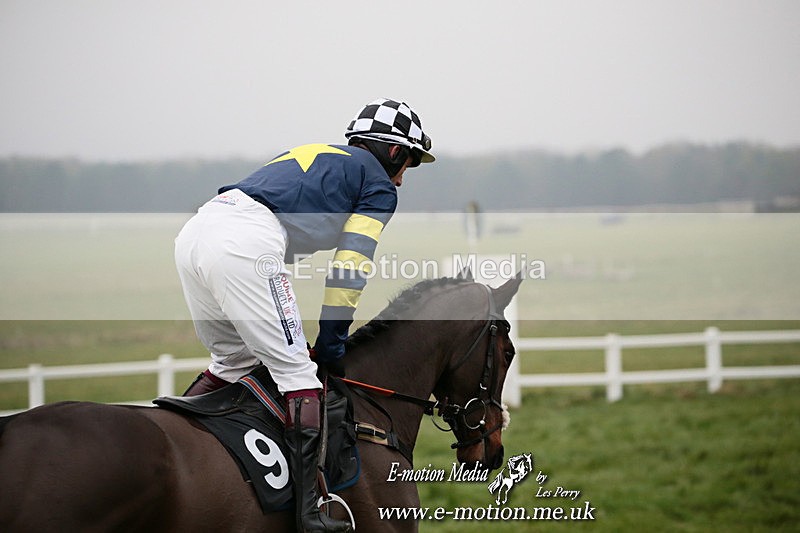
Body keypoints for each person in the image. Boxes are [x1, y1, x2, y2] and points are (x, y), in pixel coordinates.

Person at [173, 98, 434, 533]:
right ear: (393, 151)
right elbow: (350, 268)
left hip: (196, 232)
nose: (404, 178)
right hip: (245, 244)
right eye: (408, 162)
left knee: (231, 365)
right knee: (300, 376)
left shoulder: (326, 157)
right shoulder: (379, 184)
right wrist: (331, 344)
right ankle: (312, 511)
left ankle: (178, 439)